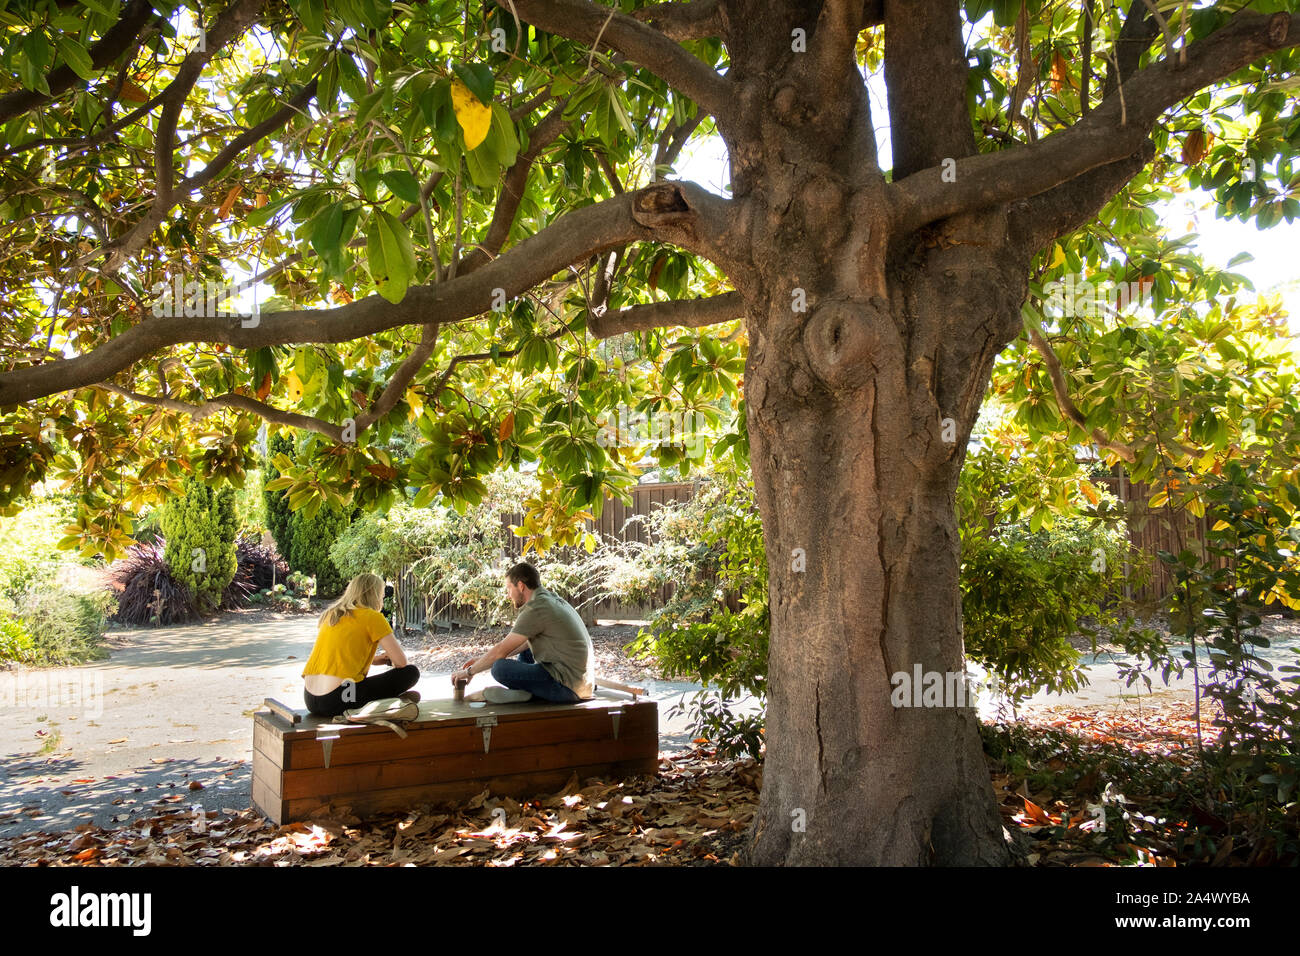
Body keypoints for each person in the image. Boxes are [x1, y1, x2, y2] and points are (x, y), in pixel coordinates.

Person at [452, 561, 594, 704]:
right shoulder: (550, 599)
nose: (508, 595)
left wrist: (468, 672)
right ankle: (524, 693)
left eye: (509, 589)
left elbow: (500, 651)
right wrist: (480, 661)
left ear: (520, 586)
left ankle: (526, 694)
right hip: (581, 685)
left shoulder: (536, 608)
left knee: (499, 668)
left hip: (567, 689)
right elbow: (517, 645)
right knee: (526, 650)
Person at [301, 572, 420, 717]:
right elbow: (401, 662)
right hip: (339, 700)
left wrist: (377, 660)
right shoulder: (372, 617)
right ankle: (386, 703)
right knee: (411, 672)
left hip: (310, 699)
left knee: (359, 686)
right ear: (375, 595)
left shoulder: (332, 614)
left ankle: (384, 701)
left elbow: (339, 656)